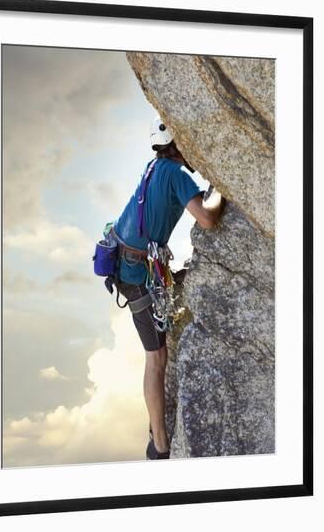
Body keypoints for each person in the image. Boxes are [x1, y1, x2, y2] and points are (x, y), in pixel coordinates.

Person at [112, 116, 225, 460]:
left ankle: (156, 432)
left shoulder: (153, 167)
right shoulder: (176, 174)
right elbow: (207, 218)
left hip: (126, 263)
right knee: (157, 358)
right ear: (177, 144)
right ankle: (160, 445)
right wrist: (222, 188)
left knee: (157, 355)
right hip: (135, 273)